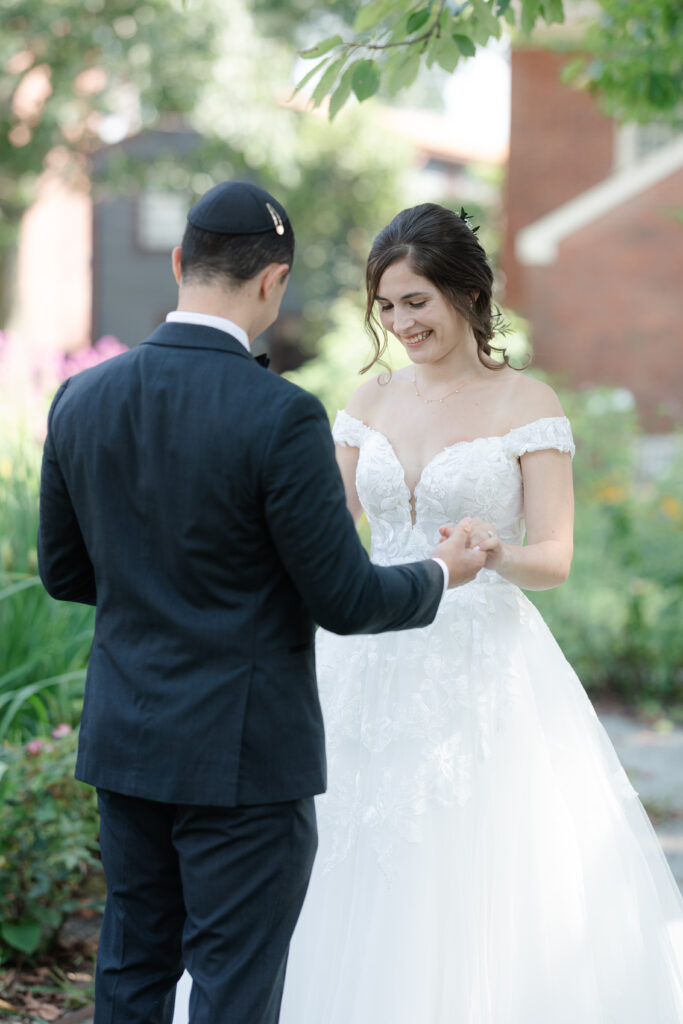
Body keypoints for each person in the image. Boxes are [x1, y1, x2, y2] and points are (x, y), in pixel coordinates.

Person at [37, 183, 488, 1024]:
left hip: (128, 741)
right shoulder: (279, 415)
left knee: (131, 970)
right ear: (274, 281)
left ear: (179, 265)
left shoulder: (81, 399)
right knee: (232, 988)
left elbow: (65, 574)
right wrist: (440, 572)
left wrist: (158, 587)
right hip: (243, 761)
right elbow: (346, 599)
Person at [279, 203, 683, 1023]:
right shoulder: (371, 397)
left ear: (464, 293)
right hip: (366, 653)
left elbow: (556, 558)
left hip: (478, 665)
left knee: (469, 864)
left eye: (415, 302)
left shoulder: (524, 403)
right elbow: (324, 528)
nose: (399, 323)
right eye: (386, 307)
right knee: (341, 847)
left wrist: (493, 553)